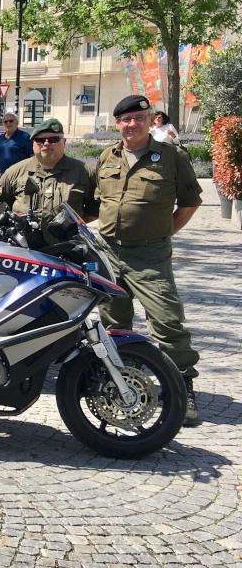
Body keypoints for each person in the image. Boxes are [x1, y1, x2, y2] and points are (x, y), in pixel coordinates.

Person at [91, 94, 203, 426]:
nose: (132, 124)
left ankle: (182, 387)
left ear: (149, 120)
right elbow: (99, 200)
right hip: (109, 251)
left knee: (167, 321)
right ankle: (120, 381)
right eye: (125, 119)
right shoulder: (106, 156)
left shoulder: (170, 157)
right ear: (117, 123)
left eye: (139, 118)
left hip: (150, 254)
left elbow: (190, 201)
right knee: (113, 324)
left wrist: (166, 231)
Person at [0, 118, 95, 227]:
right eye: (40, 140)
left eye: (54, 139)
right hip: (23, 243)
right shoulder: (14, 173)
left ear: (64, 142)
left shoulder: (84, 172)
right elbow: (1, 208)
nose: (46, 144)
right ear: (33, 144)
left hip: (69, 243)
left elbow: (94, 213)